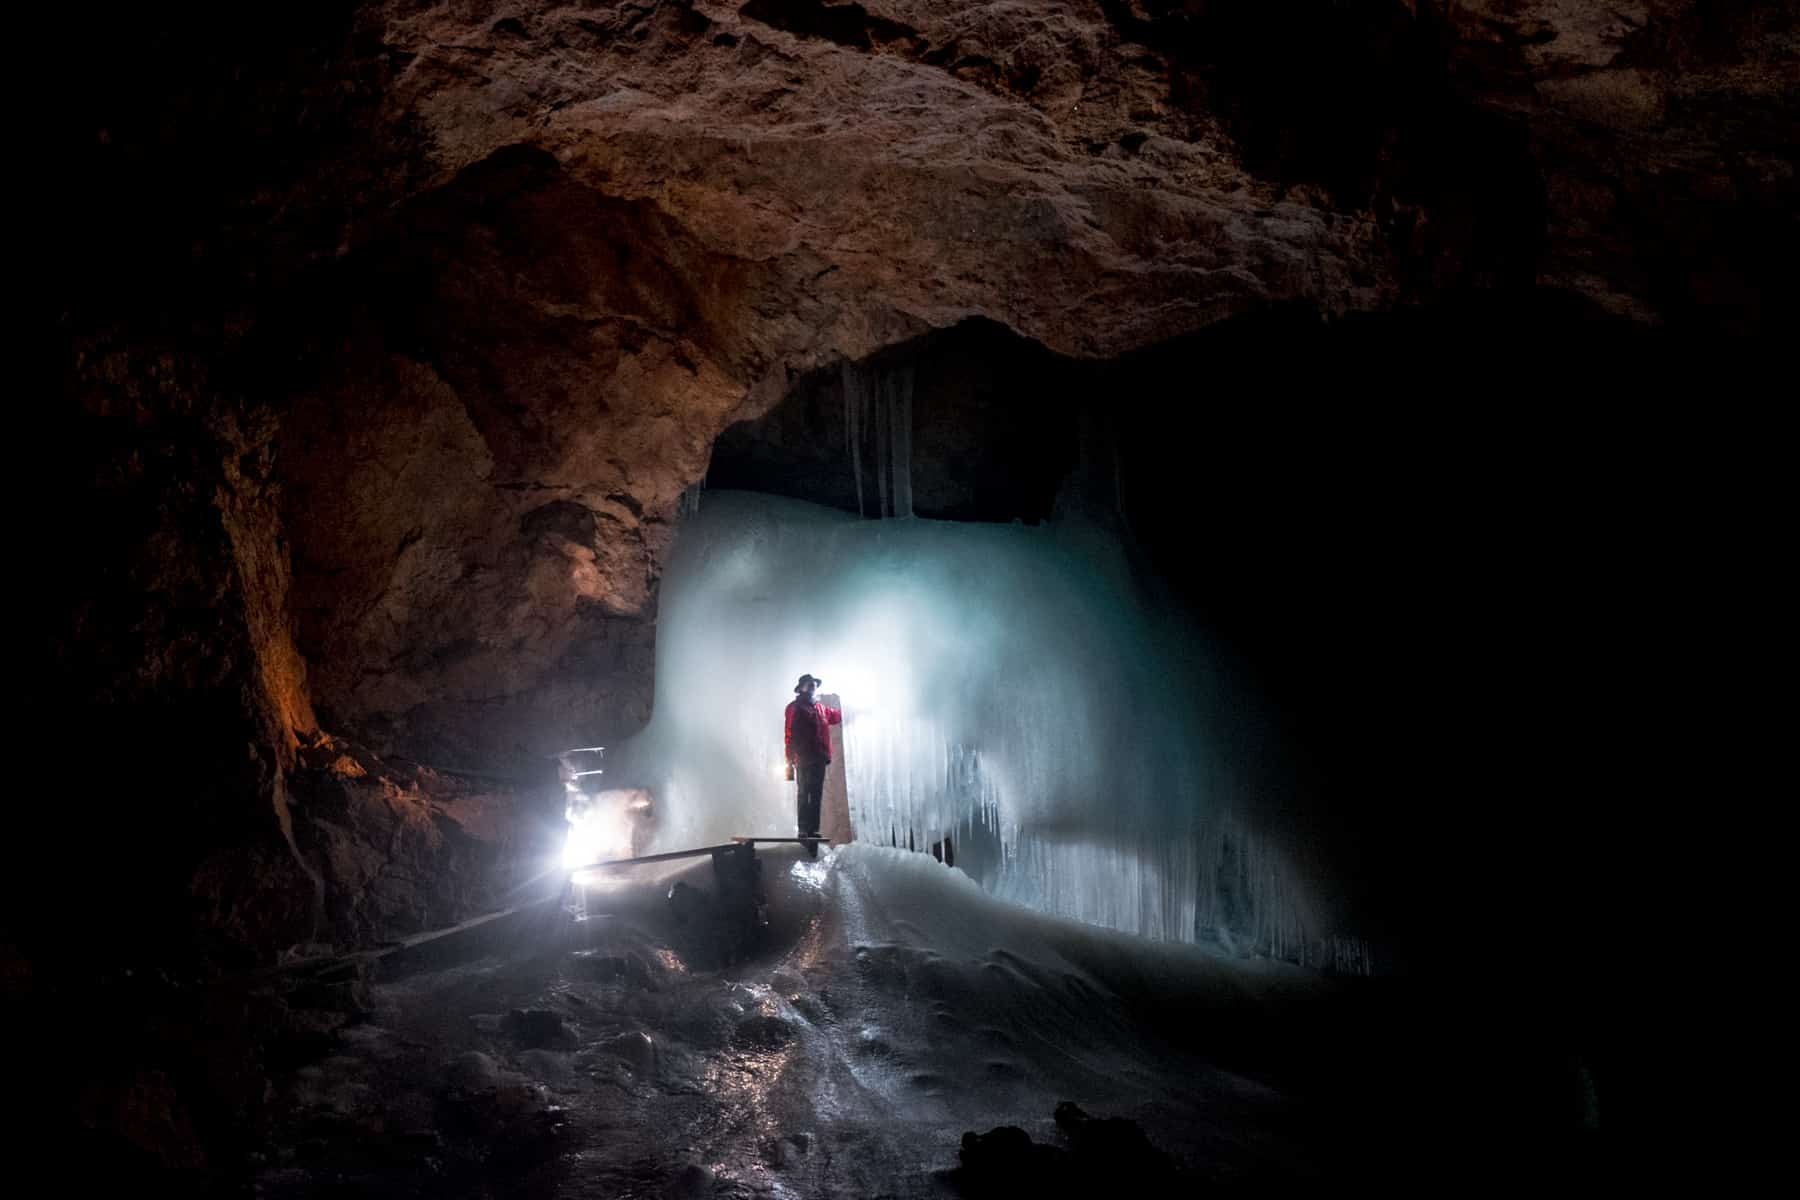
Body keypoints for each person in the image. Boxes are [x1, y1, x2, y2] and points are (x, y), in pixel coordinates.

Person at [784, 673, 841, 846]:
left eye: (813, 684)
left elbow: (836, 716)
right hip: (803, 757)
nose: (812, 686)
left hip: (819, 757)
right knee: (803, 793)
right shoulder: (794, 708)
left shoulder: (821, 709)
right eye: (808, 684)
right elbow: (789, 734)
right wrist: (789, 758)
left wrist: (848, 707)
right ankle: (803, 830)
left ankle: (813, 830)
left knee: (816, 794)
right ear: (801, 688)